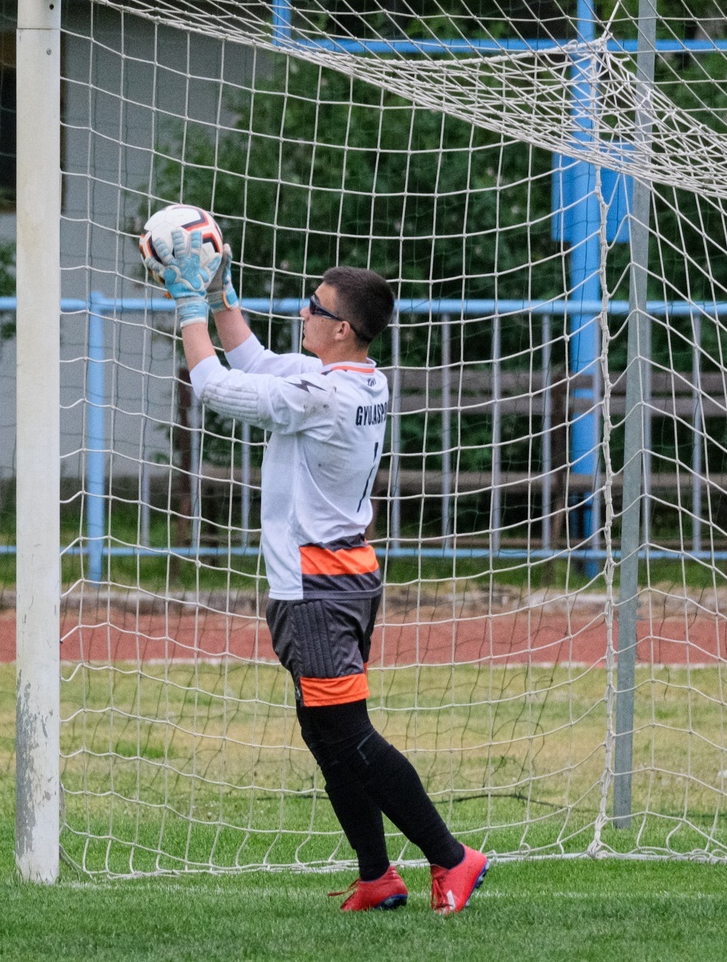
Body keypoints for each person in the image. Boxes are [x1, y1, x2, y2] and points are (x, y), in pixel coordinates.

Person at [143, 225, 489, 915]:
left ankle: (452, 857)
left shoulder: (320, 394)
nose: (303, 312)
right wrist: (222, 298)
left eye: (315, 306)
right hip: (335, 578)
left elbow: (214, 385)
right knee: (324, 732)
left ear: (341, 329)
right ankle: (377, 876)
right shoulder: (355, 378)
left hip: (319, 587)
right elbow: (257, 360)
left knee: (348, 734)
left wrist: (186, 304)